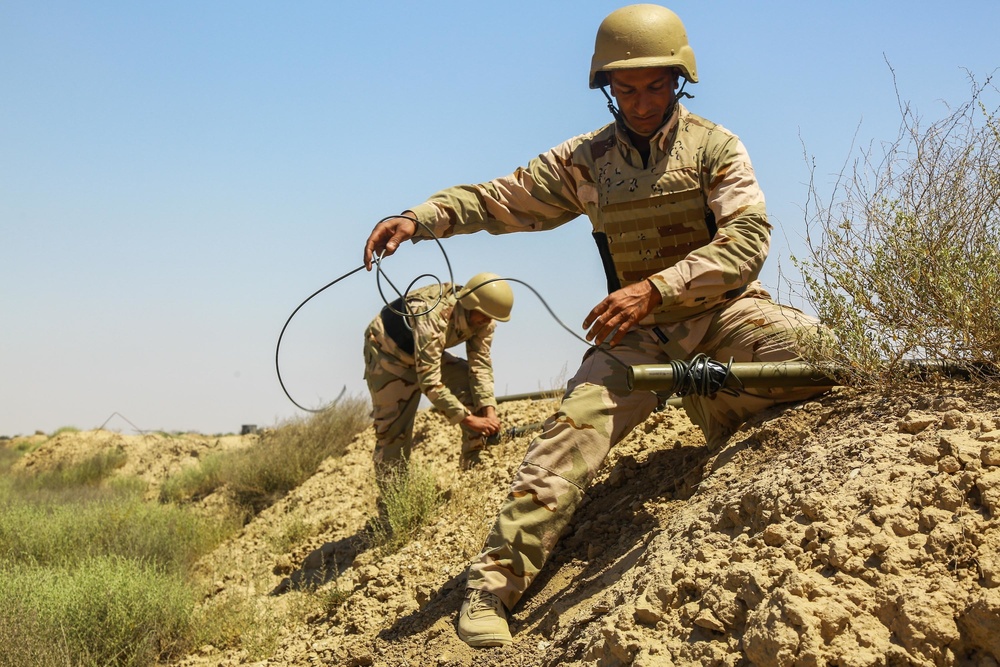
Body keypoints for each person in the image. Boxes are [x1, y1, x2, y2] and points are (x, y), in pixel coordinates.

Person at [363, 4, 832, 647]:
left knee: (817, 357)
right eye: (626, 89)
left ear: (680, 80)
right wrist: (423, 216)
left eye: (655, 86)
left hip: (723, 313)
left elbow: (747, 241)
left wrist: (657, 287)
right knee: (565, 440)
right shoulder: (587, 162)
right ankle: (490, 591)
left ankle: (717, 414)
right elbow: (502, 197)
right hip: (637, 336)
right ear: (607, 87)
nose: (640, 103)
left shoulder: (715, 147)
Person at [363, 272, 514, 480]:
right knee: (392, 433)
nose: (487, 322)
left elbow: (480, 366)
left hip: (426, 352)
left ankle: (475, 472)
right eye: (484, 316)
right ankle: (393, 503)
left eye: (492, 318)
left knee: (469, 388)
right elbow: (430, 383)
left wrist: (489, 411)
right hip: (388, 354)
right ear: (471, 305)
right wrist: (470, 420)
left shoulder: (484, 320)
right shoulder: (432, 316)